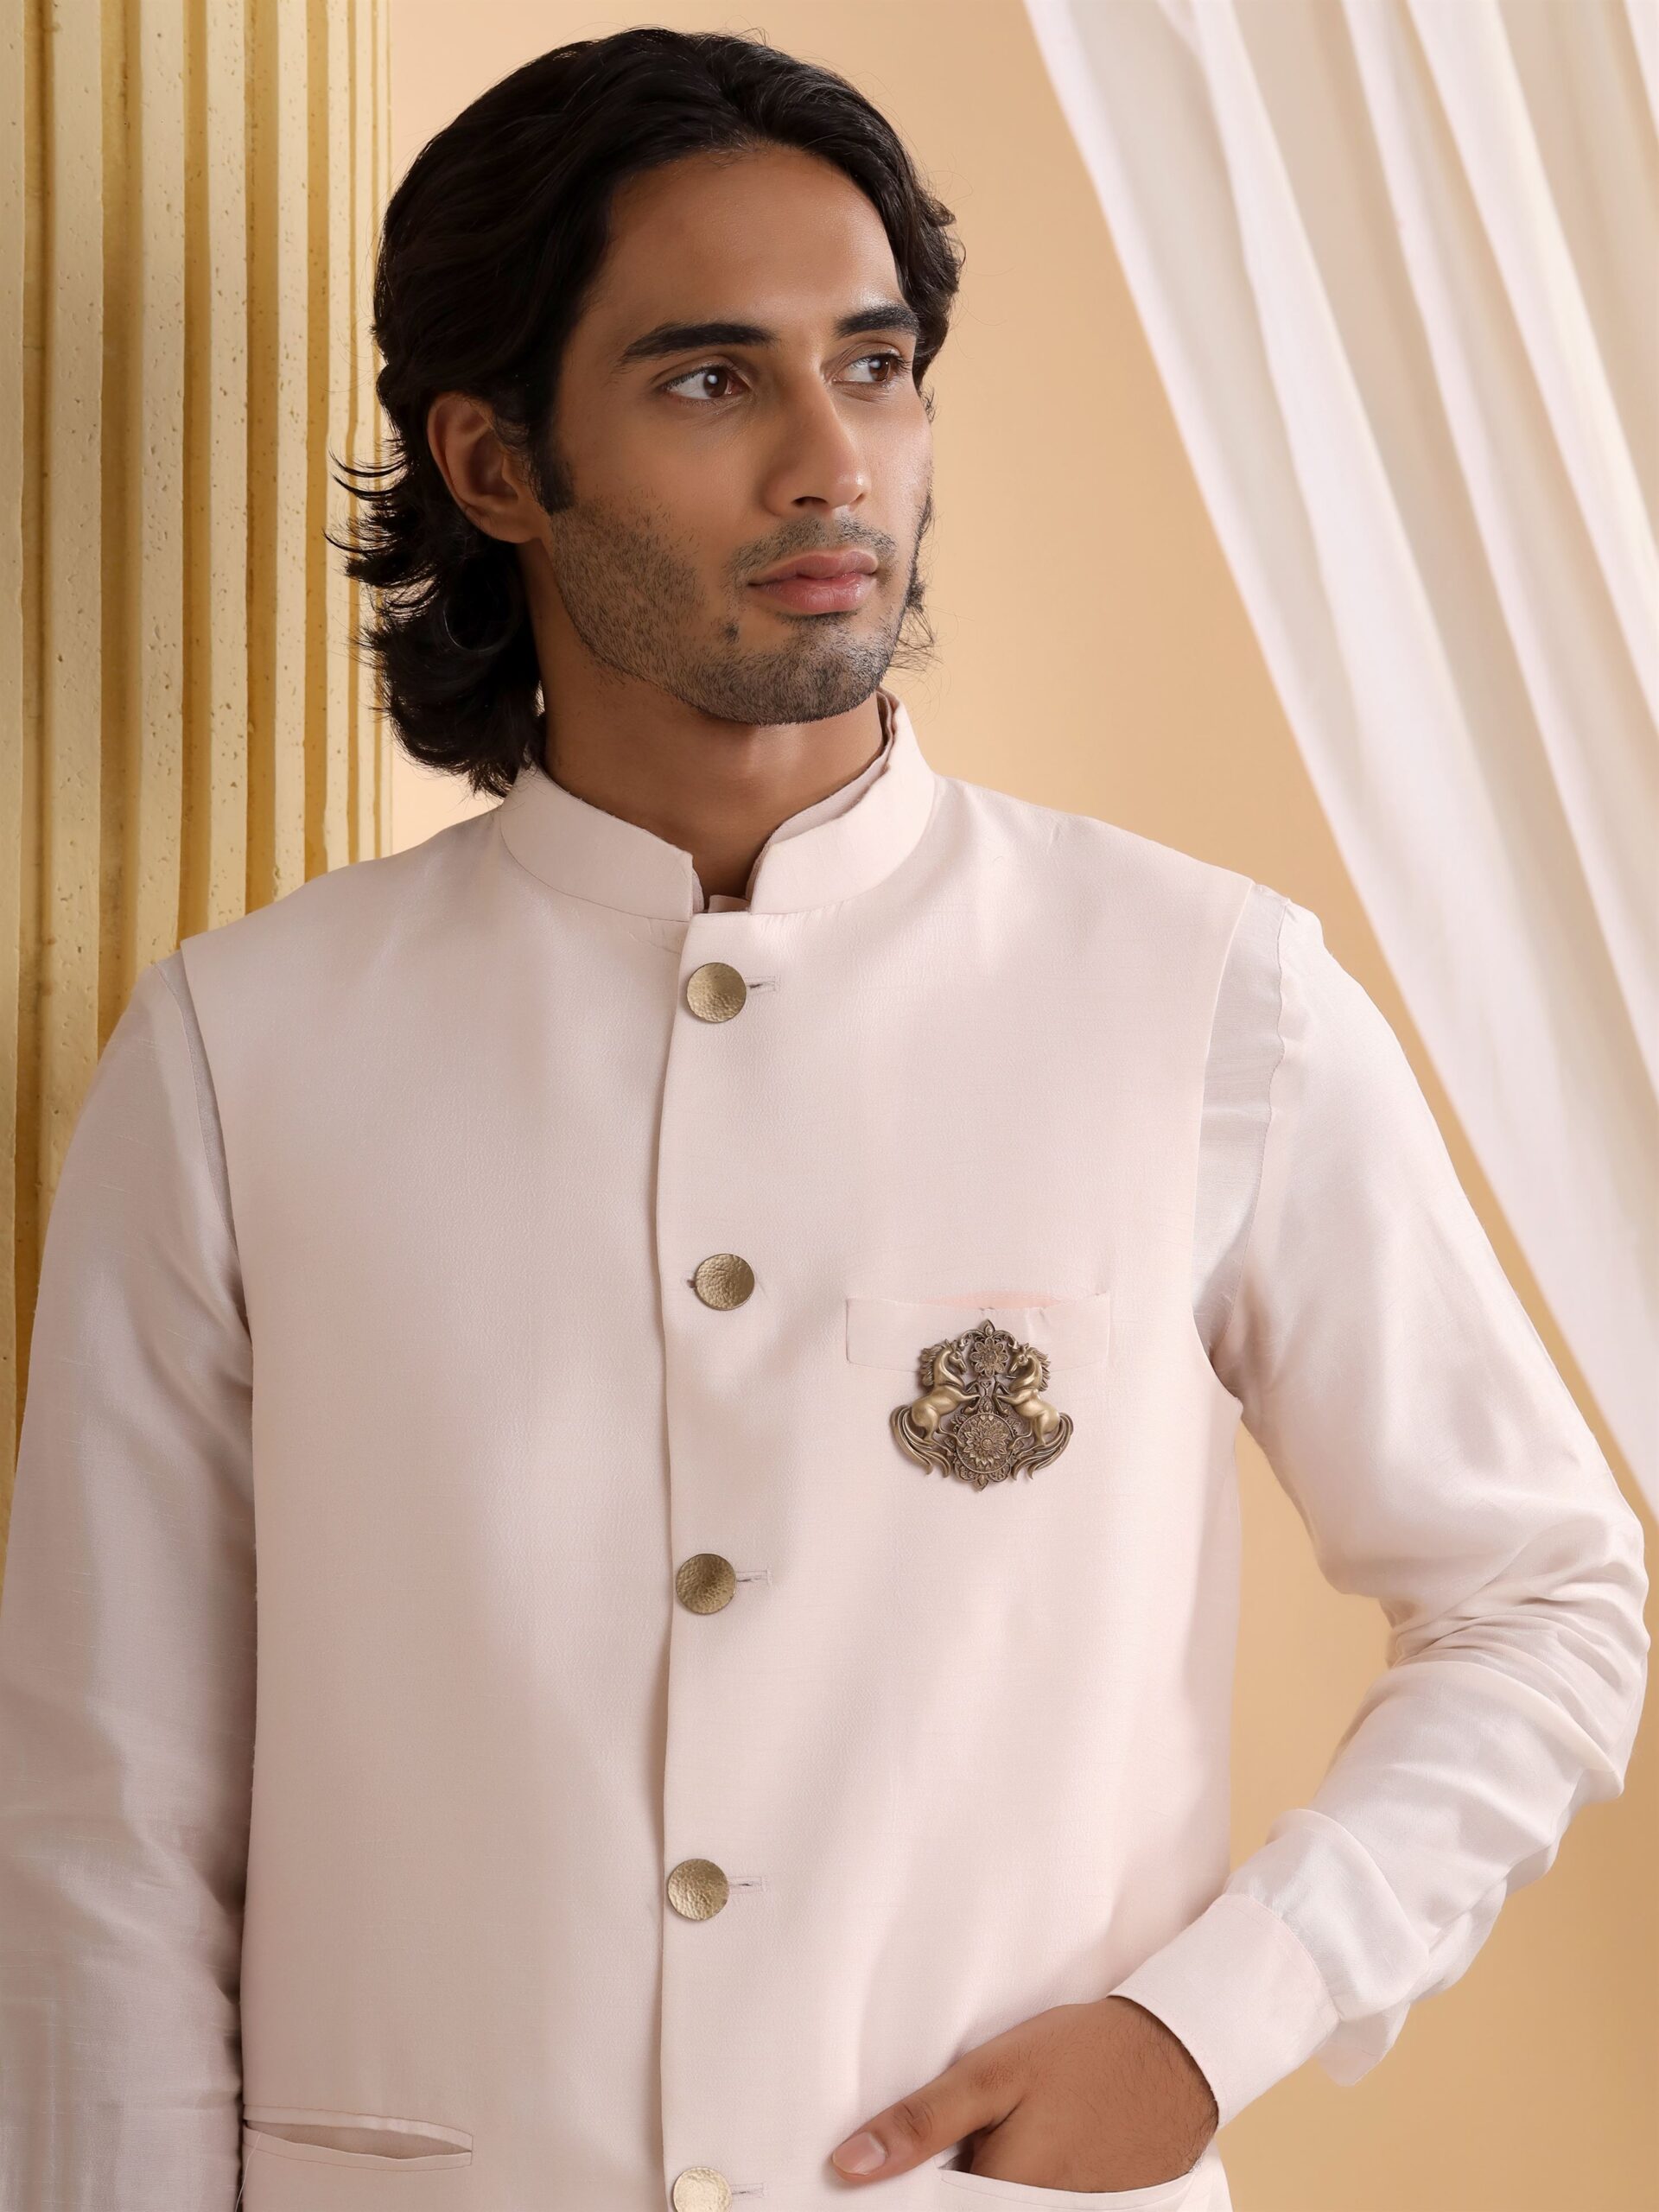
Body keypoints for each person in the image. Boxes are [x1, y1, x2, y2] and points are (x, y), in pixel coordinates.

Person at [0, 27, 1646, 2212]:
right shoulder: (245, 1051)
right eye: (712, 379)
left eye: (875, 366)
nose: (830, 462)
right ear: (496, 463)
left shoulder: (1203, 996)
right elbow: (107, 1828)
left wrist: (1220, 2017)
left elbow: (1544, 1592)